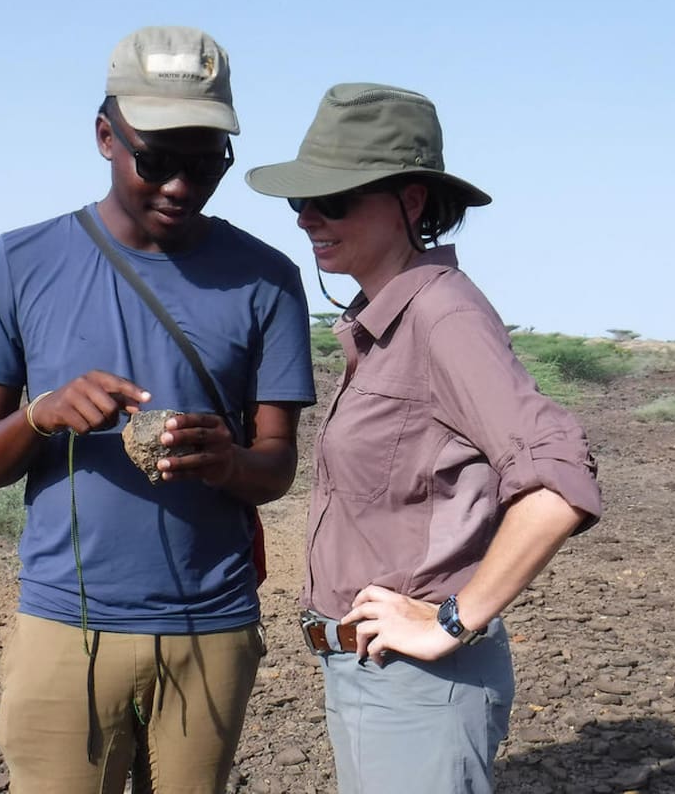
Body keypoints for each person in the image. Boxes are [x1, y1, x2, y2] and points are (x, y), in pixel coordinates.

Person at [0, 26, 316, 794]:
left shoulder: (267, 279)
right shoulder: (19, 263)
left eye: (206, 163)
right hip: (64, 627)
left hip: (211, 628)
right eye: (159, 161)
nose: (181, 186)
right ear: (106, 137)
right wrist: (41, 414)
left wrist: (229, 461)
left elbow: (276, 466)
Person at [246, 83, 603, 793]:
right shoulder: (386, 318)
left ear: (411, 202)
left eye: (335, 199)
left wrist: (450, 620)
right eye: (300, 203)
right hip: (372, 673)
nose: (309, 219)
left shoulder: (442, 318)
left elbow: (559, 479)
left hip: (416, 682)